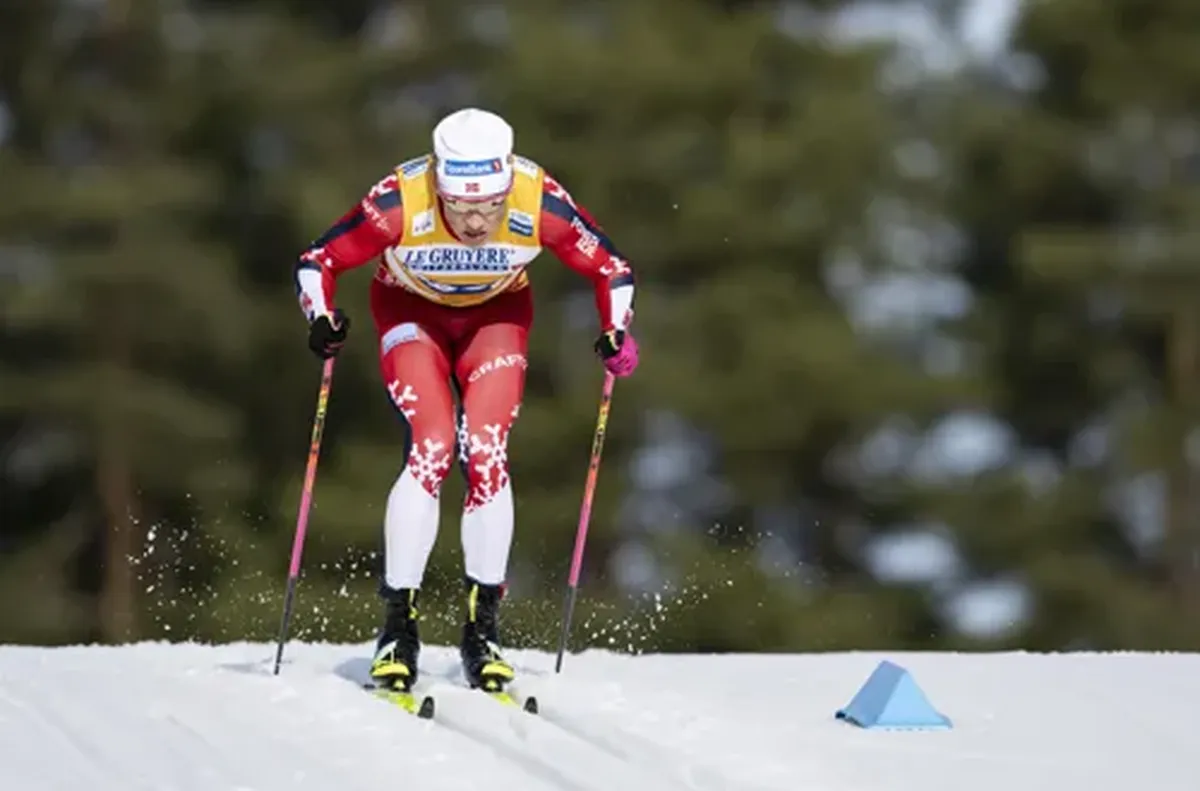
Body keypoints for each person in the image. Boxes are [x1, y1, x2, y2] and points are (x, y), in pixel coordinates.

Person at [292, 107, 639, 694]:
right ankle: (398, 628)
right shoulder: (399, 201)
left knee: (486, 448)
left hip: (496, 317)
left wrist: (616, 330)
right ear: (439, 188)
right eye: (460, 207)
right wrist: (321, 319)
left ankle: (483, 630)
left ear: (507, 187)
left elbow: (612, 268)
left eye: (489, 206)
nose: (477, 222)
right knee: (431, 446)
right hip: (410, 313)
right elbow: (317, 261)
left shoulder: (538, 201)